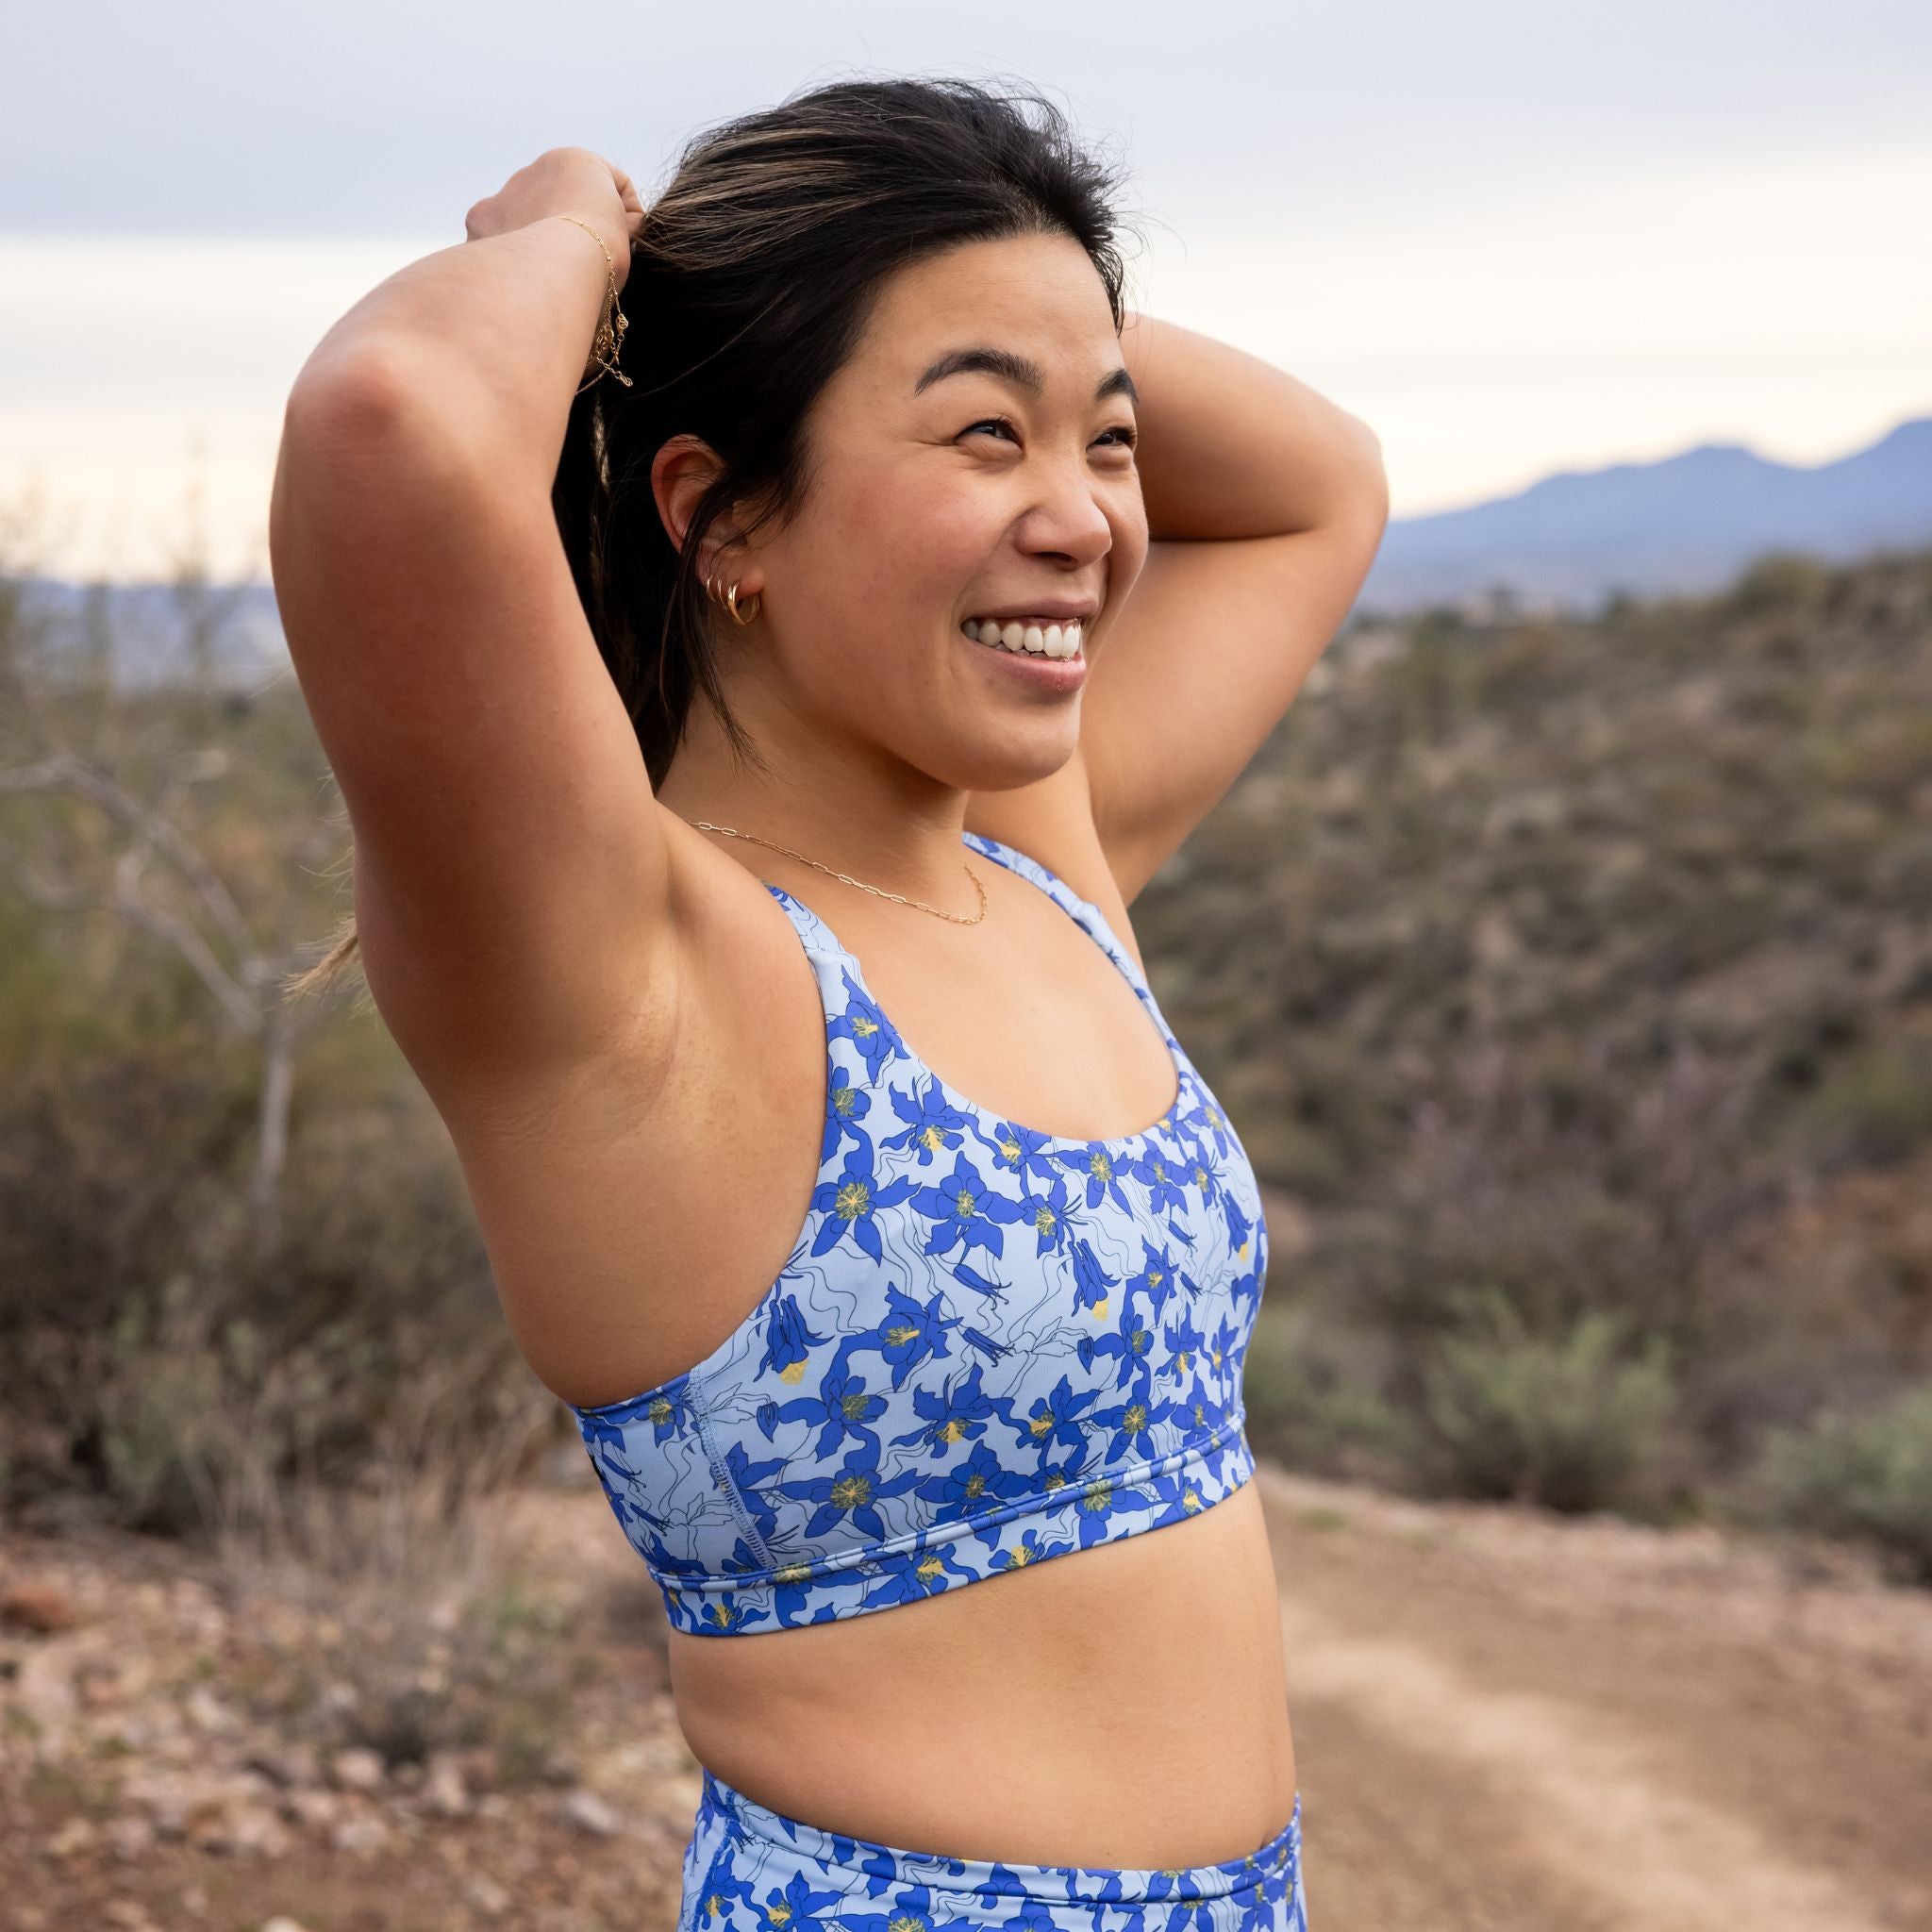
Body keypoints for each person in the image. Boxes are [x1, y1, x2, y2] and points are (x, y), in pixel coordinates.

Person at [270, 74, 1387, 1932]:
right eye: (977, 439)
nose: (1085, 521)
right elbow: (401, 416)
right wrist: (589, 235)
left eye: (1102, 444)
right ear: (718, 513)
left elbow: (1316, 485)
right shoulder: (624, 972)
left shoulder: (1034, 855)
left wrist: (985, 325)